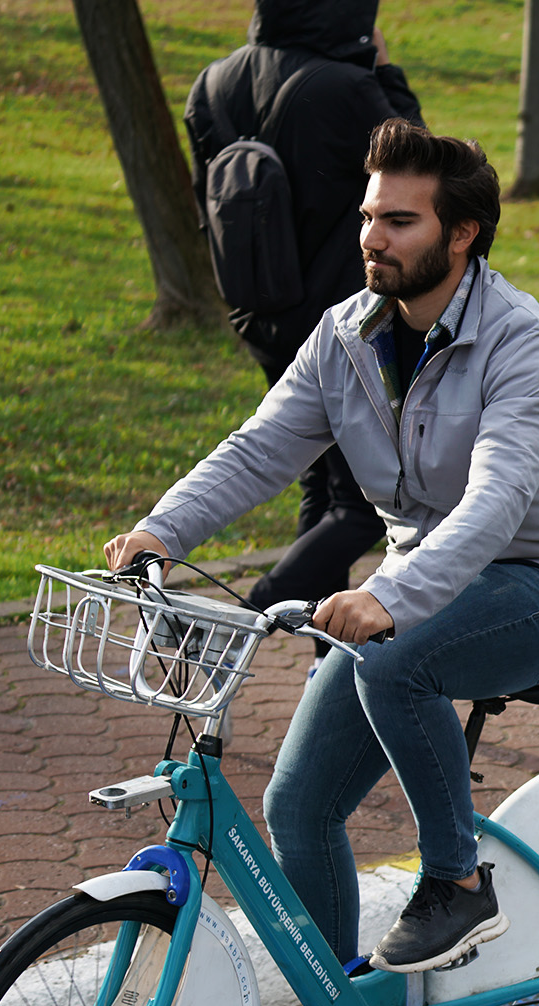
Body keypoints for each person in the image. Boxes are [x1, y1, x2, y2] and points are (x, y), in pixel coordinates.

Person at [104, 121, 539, 1006]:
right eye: (367, 214)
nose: (371, 235)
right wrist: (160, 528)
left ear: (459, 234)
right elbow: (260, 449)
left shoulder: (521, 340)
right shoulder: (345, 333)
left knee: (395, 662)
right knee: (297, 803)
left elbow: (498, 498)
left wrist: (391, 596)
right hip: (423, 585)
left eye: (398, 218)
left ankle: (456, 881)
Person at [185, 0, 422, 649]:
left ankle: (327, 657)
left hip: (261, 309)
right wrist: (383, 67)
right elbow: (420, 172)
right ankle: (236, 626)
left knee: (322, 481)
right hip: (346, 321)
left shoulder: (213, 83)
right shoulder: (349, 89)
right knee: (360, 505)